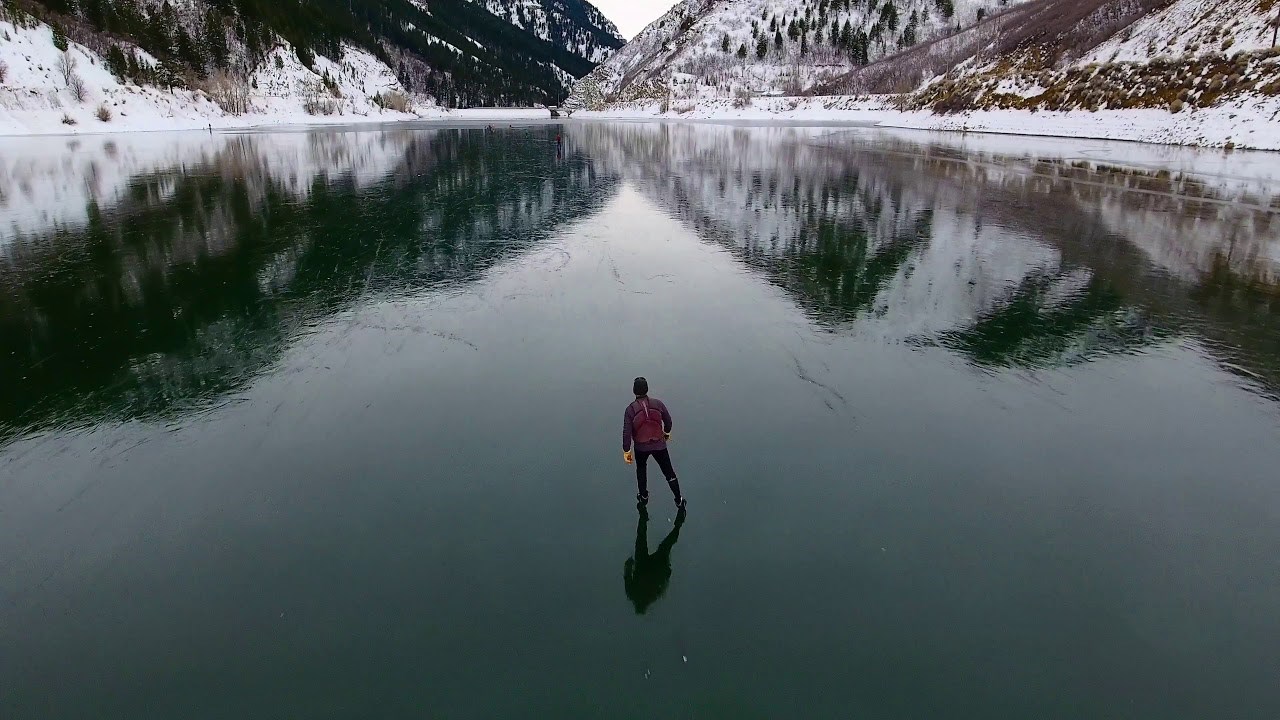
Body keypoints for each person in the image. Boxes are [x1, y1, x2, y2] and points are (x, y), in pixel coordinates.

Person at [622, 377, 685, 508]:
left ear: (634, 391)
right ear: (647, 389)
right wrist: (666, 433)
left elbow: (627, 432)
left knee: (641, 469)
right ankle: (678, 499)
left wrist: (627, 451)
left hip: (641, 448)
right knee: (669, 473)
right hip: (659, 445)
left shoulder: (630, 410)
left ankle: (643, 496)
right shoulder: (658, 404)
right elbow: (668, 421)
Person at [623, 504, 686, 614]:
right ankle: (645, 517)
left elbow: (628, 575)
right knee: (656, 544)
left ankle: (645, 518)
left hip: (645, 567)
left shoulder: (642, 595)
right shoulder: (639, 595)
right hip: (651, 567)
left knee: (650, 542)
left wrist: (629, 564)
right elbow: (628, 574)